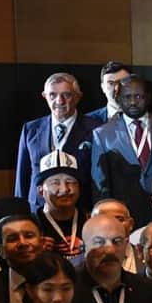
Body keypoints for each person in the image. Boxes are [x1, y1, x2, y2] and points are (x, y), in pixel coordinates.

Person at [91, 73, 152, 226]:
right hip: (123, 215)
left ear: (148, 98)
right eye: (127, 97)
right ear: (119, 99)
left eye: (138, 96)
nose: (133, 102)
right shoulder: (102, 134)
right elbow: (101, 183)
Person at [16, 72, 102, 214]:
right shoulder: (30, 129)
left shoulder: (97, 129)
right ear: (44, 96)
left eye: (66, 95)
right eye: (52, 95)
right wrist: (20, 213)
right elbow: (22, 177)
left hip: (81, 211)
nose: (59, 101)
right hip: (37, 211)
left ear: (78, 97)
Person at [34, 150, 88, 262]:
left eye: (70, 182)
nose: (64, 189)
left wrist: (89, 246)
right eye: (55, 183)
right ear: (40, 190)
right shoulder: (32, 224)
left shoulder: (90, 220)